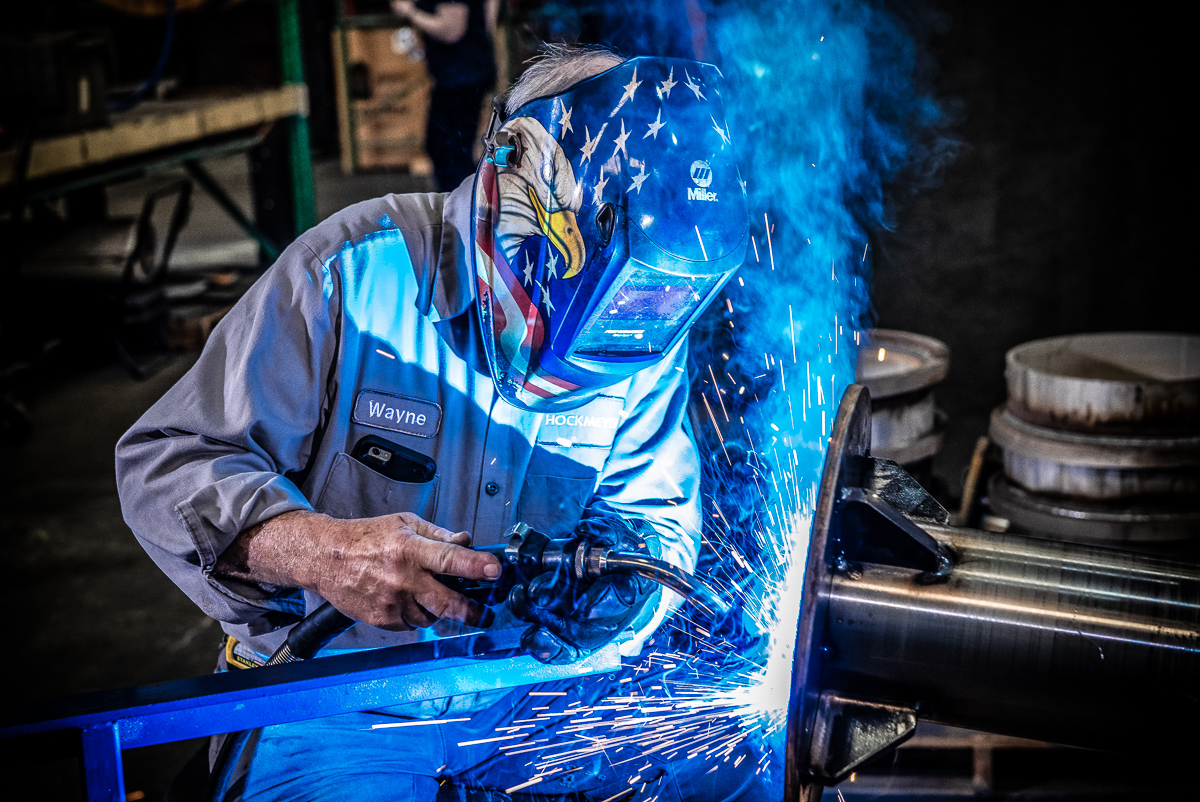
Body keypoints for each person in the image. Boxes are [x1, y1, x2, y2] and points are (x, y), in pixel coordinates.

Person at [116, 45, 755, 800]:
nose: (624, 336)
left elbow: (661, 524)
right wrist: (322, 553)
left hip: (530, 700)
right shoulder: (353, 274)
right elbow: (165, 465)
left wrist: (623, 587)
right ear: (524, 178)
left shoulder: (646, 331)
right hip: (338, 704)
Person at [391, 0, 499, 191]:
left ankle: (462, 210)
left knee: (449, 152)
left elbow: (452, 30)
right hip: (463, 73)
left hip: (460, 79)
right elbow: (487, 20)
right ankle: (466, 206)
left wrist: (410, 11)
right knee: (450, 149)